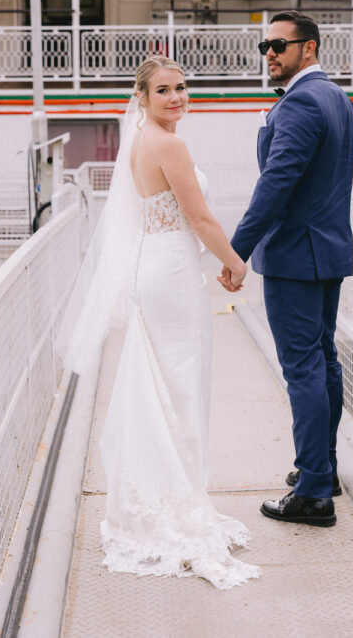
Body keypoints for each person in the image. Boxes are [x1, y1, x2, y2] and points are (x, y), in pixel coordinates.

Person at [56, 56, 259, 590]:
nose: (176, 97)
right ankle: (177, 500)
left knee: (162, 383)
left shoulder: (144, 139)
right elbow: (200, 219)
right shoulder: (169, 145)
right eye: (164, 90)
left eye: (182, 87)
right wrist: (236, 264)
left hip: (156, 262)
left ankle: (164, 494)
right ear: (142, 98)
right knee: (182, 385)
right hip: (171, 270)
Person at [219, 11, 353, 527]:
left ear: (309, 48)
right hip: (328, 252)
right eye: (266, 46)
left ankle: (314, 492)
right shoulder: (340, 100)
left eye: (280, 45)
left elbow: (276, 185)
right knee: (323, 362)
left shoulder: (300, 102)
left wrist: (235, 252)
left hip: (296, 257)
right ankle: (324, 468)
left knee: (304, 369)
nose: (270, 54)